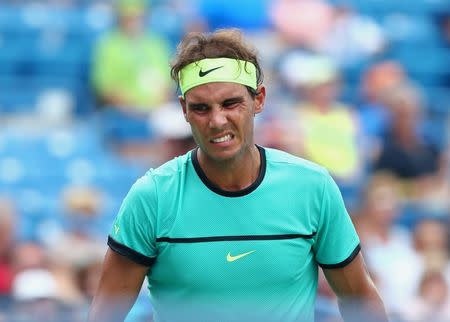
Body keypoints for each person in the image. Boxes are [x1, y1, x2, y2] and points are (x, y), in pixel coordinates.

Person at [89, 29, 387, 322]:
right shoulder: (152, 197)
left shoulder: (313, 188)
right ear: (184, 110)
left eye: (231, 104)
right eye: (202, 108)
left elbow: (359, 299)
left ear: (259, 100)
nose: (217, 121)